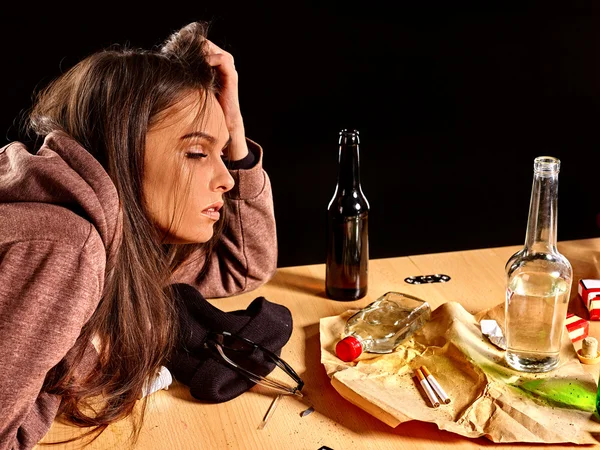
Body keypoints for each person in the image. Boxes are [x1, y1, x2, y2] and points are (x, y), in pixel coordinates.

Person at [0, 21, 277, 449]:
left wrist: (233, 129)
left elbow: (241, 265)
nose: (226, 178)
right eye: (198, 152)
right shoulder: (63, 246)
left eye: (222, 154)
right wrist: (67, 371)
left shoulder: (123, 236)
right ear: (122, 148)